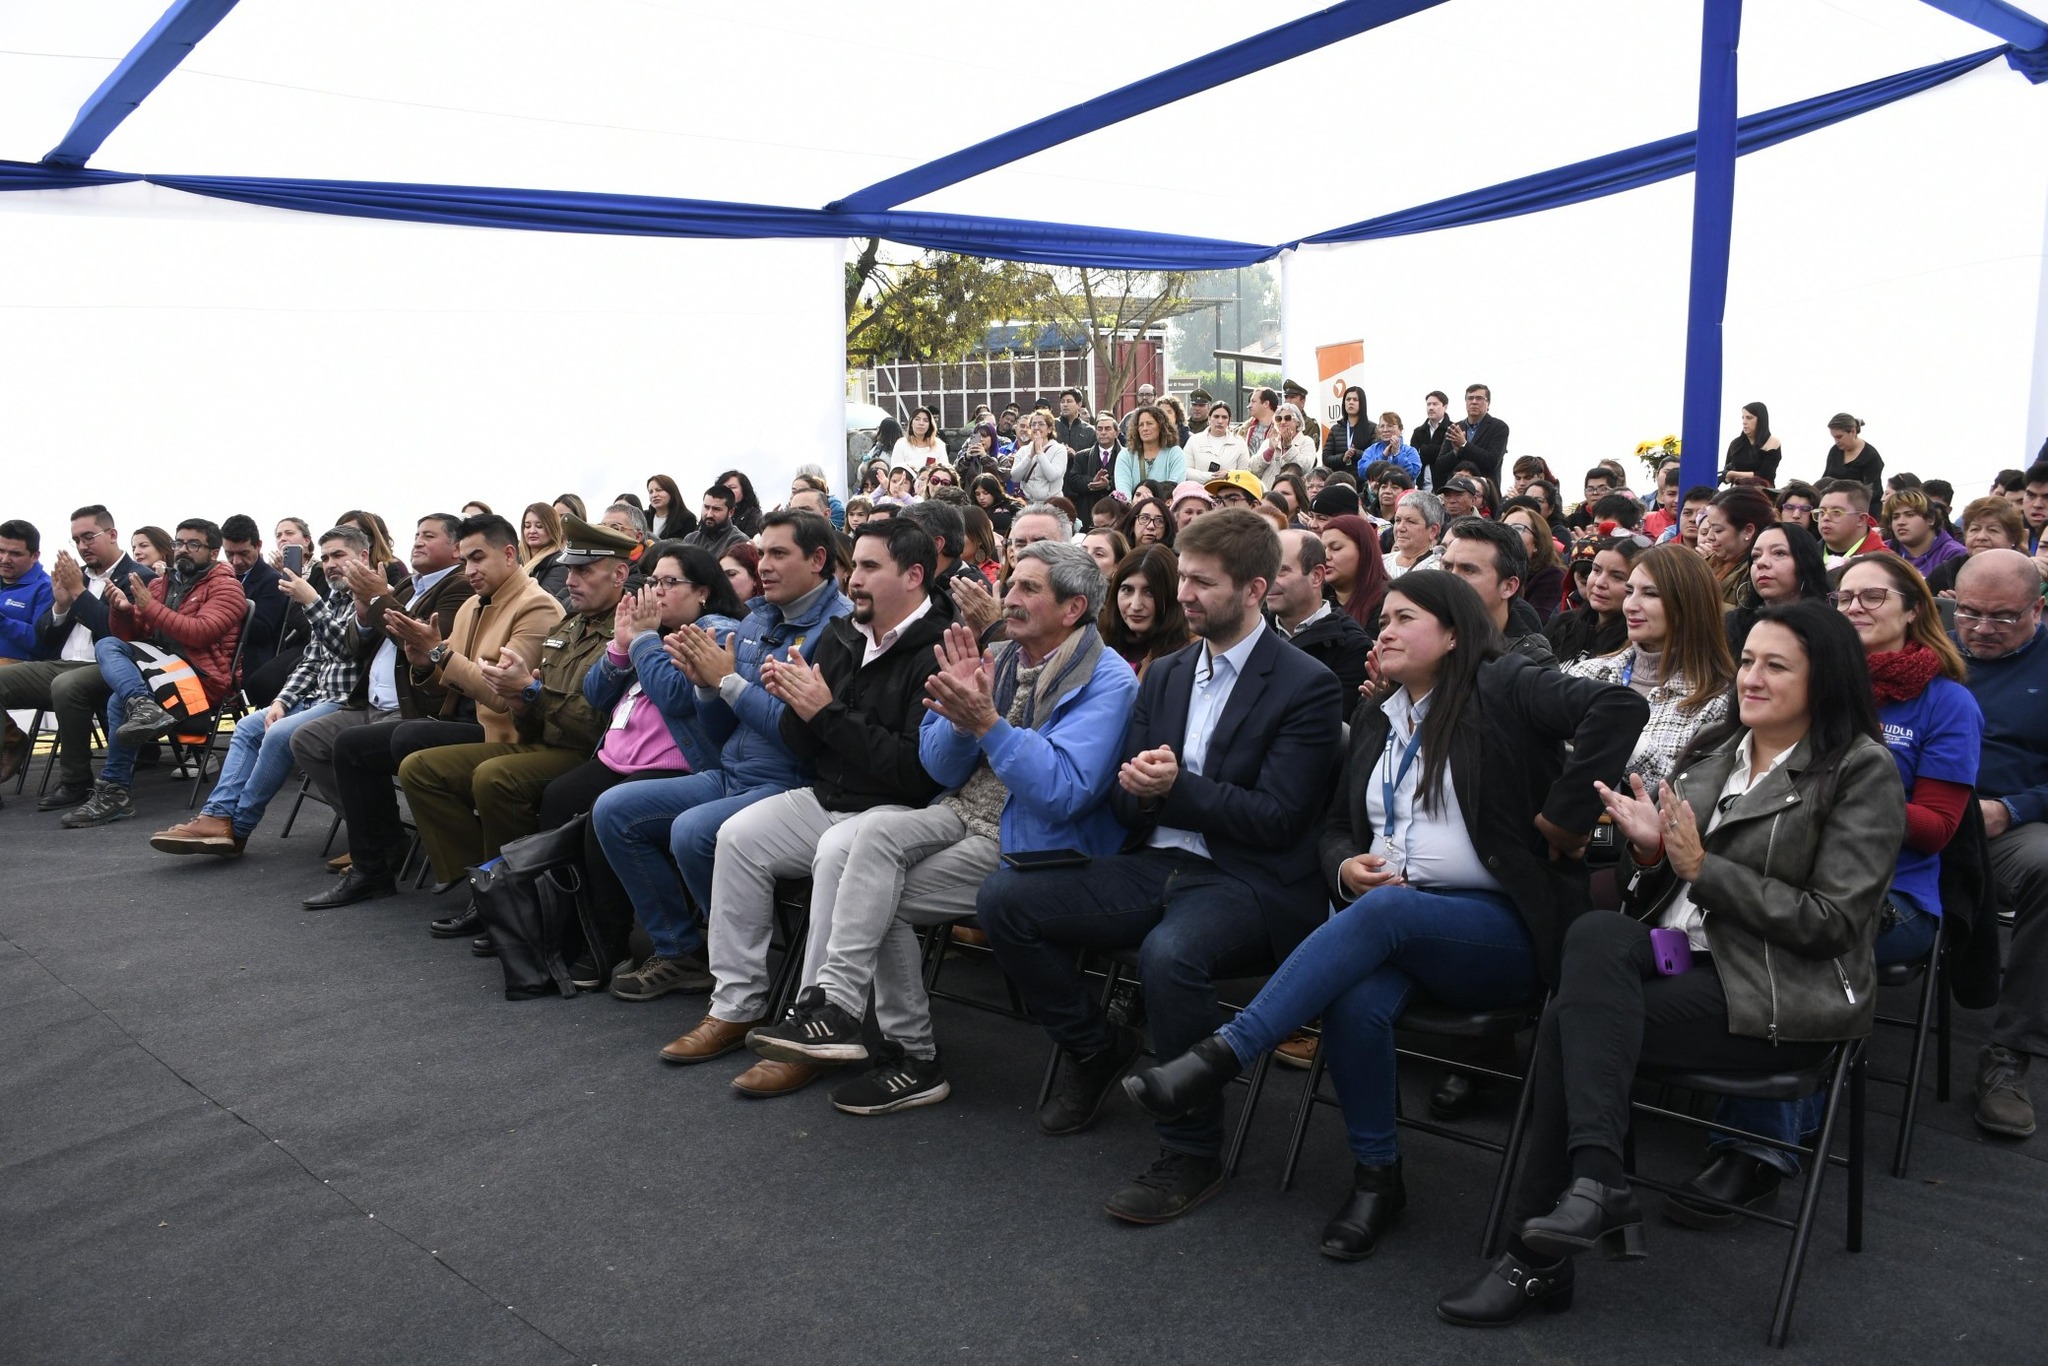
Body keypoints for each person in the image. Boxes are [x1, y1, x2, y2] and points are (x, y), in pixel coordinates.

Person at [1123, 570, 1647, 1258]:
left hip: (1503, 930)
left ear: (1454, 633)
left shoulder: (1504, 685)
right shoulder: (1377, 715)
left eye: (1405, 619)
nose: (1386, 631)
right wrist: (1344, 866)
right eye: (1384, 619)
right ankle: (1377, 1178)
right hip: (1400, 927)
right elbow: (1338, 827)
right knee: (1355, 1000)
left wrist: (1564, 816)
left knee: (1391, 912)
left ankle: (1226, 1052)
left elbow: (1619, 707)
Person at [1438, 601, 1903, 1328]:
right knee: (1595, 935)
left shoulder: (1860, 770)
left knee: (1567, 1024)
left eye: (1776, 666)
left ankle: (1540, 1256)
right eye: (1747, 661)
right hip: (1679, 963)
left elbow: (1835, 924)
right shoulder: (1717, 751)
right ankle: (1594, 1187)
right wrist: (1650, 854)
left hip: (1776, 993)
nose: (1750, 678)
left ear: (1826, 679)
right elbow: (1654, 892)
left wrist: (1702, 868)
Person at [978, 509, 1346, 1223]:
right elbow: (1127, 802)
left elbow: (1277, 820)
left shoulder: (1307, 683)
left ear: (1255, 589)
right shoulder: (1169, 673)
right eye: (1187, 579)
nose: (1184, 595)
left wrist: (1177, 788)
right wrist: (1142, 790)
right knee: (1005, 899)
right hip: (1157, 861)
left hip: (1248, 880)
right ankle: (1095, 1047)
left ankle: (1192, 1149)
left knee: (1170, 953)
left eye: (1203, 583)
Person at [744, 541, 1135, 1112]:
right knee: (872, 836)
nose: (1009, 597)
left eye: (1029, 588)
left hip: (1031, 841)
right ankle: (837, 1006)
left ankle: (914, 1057)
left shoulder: (1108, 679)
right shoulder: (995, 657)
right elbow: (939, 768)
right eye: (1012, 583)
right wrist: (956, 721)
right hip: (962, 810)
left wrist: (987, 723)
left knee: (880, 897)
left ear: (1073, 608)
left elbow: (1063, 795)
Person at [1665, 554, 1981, 1220]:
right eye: (1845, 598)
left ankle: (1757, 1146)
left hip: (1892, 896)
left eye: (1873, 596)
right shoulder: (1788, 681)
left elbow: (1937, 829)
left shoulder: (1946, 704)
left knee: (1787, 943)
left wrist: (1839, 808)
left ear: (1914, 609)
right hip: (1768, 873)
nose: (1855, 606)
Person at [656, 519, 954, 1092]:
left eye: (870, 567)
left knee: (836, 853)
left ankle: (812, 1023)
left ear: (914, 575)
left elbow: (916, 773)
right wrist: (780, 699)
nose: (854, 578)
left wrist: (823, 712)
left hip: (899, 812)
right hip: (831, 795)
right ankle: (736, 1005)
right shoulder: (844, 634)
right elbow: (804, 741)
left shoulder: (940, 648)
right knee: (738, 836)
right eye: (854, 565)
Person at [593, 511, 853, 1002]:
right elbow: (721, 727)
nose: (764, 565)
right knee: (613, 810)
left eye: (779, 554)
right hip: (733, 773)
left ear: (818, 560)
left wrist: (728, 684)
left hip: (793, 784)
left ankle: (738, 969)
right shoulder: (757, 619)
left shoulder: (839, 629)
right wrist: (707, 690)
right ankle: (682, 950)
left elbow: (799, 736)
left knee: (693, 831)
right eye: (763, 552)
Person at [302, 514, 558, 907]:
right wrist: (424, 662)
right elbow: (445, 681)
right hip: (461, 719)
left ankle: (480, 878)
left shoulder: (536, 606)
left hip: (504, 731)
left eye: (478, 558)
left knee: (409, 739)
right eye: (465, 560)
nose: (470, 570)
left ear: (510, 555)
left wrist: (437, 653)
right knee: (351, 745)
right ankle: (373, 867)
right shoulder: (474, 603)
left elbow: (500, 696)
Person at [395, 518, 641, 899]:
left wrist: (529, 694)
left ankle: (509, 895)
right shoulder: (568, 627)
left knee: (494, 777)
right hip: (538, 740)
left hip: (588, 753)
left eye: (584, 571)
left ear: (620, 575)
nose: (571, 580)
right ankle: (483, 885)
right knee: (418, 768)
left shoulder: (629, 633)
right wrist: (520, 702)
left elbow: (596, 724)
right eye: (569, 570)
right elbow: (524, 710)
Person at [145, 525, 379, 856]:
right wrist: (282, 700)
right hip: (318, 699)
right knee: (248, 726)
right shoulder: (334, 598)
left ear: (363, 556)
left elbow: (346, 650)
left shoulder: (371, 598)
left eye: (338, 555)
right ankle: (215, 816)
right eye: (325, 558)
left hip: (348, 704)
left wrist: (310, 602)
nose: (329, 564)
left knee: (277, 733)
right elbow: (312, 661)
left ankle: (238, 828)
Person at [287, 514, 472, 864]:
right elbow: (354, 647)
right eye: (416, 534)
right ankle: (376, 831)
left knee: (354, 746)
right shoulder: (408, 586)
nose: (418, 541)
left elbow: (423, 643)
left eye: (429, 536)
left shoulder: (459, 587)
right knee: (306, 739)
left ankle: (377, 845)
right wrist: (362, 613)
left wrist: (377, 599)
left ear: (456, 548)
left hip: (413, 707)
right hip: (367, 704)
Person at [58, 519, 247, 829]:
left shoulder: (227, 587)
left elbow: (199, 633)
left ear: (214, 553)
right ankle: (142, 707)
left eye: (193, 544)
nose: (183, 549)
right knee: (108, 643)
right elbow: (134, 634)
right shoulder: (162, 584)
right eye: (179, 542)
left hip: (201, 679)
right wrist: (122, 611)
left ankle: (115, 791)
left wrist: (148, 607)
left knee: (118, 699)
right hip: (160, 669)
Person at [1952, 550, 2048, 1139]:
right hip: (1910, 810)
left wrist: (2013, 809)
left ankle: (2011, 1050)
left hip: (2005, 823)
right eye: (1969, 612)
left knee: (2047, 867)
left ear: (2038, 609)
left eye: (2004, 617)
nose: (1983, 628)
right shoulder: (1930, 651)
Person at [1562, 544, 1735, 791]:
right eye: (1629, 591)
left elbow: (1687, 796)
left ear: (1688, 605)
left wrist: (1624, 738)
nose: (1630, 605)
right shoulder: (1587, 674)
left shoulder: (1716, 700)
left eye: (1650, 594)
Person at [1267, 528, 1372, 699]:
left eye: (1281, 571)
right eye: (1265, 570)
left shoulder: (1351, 646)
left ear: (1316, 576)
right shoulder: (1251, 630)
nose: (1268, 580)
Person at [1441, 519, 1557, 667]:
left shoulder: (1532, 664)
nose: (1451, 578)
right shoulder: (1422, 635)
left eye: (1468, 570)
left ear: (1508, 587)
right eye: (1447, 567)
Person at [1725, 522, 1828, 653]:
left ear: (1806, 563)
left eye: (1779, 553)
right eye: (1756, 556)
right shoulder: (1732, 626)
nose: (1761, 562)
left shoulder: (1829, 627)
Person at [1101, 543, 1190, 681]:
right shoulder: (1099, 644)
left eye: (1150, 592)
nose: (1136, 605)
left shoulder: (1187, 658)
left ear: (1172, 595)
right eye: (1127, 590)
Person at [218, 514, 289, 687]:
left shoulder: (272, 580)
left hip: (250, 664)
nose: (236, 561)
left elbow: (261, 631)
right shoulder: (220, 576)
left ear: (258, 545)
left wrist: (228, 603)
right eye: (229, 554)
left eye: (244, 553)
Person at [1928, 495, 2026, 596]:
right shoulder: (1945, 573)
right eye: (1975, 529)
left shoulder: (2025, 575)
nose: (1981, 537)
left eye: (1993, 530)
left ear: (2012, 538)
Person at [1697, 487, 1776, 607]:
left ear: (1748, 531)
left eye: (1718, 530)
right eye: (1709, 528)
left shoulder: (1761, 572)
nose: (1709, 537)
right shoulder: (1706, 563)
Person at [1318, 514, 1392, 639]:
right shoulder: (1317, 596)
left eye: (1336, 548)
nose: (1326, 556)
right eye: (1323, 549)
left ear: (1364, 551)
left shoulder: (1388, 599)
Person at [1885, 486, 1967, 580]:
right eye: (1895, 517)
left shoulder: (1955, 555)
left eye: (1910, 515)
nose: (1900, 522)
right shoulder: (1883, 551)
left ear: (1931, 519)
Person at [1501, 503, 1565, 622]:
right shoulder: (1494, 572)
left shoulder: (1552, 577)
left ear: (1537, 544)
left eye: (1517, 529)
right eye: (1503, 528)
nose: (1507, 534)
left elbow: (1536, 624)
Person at [1438, 384, 1508, 489]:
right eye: (1470, 398)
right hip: (1456, 489)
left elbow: (1492, 461)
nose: (1474, 402)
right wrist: (1456, 452)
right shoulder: (1455, 428)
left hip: (1484, 491)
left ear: (1488, 403)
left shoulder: (1499, 427)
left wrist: (1464, 445)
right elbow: (1440, 465)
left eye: (1479, 398)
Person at [1815, 479, 1888, 568]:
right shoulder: (1805, 556)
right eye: (1822, 512)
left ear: (1861, 519)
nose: (1825, 518)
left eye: (1836, 512)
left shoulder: (1886, 564)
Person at [1117, 405, 1187, 497]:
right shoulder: (1126, 455)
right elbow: (1122, 488)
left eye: (1149, 424)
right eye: (1141, 425)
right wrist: (1132, 504)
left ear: (1161, 426)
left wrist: (1154, 503)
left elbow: (1175, 486)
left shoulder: (1175, 453)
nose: (1145, 428)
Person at [1249, 404, 1317, 488]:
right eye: (1279, 419)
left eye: (1287, 418)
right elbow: (1253, 469)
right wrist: (1270, 450)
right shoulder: (1268, 442)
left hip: (1292, 492)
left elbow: (1305, 468)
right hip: (1267, 492)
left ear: (1298, 422)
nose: (1283, 422)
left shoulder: (1306, 441)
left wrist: (1289, 448)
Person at [518, 502, 571, 606]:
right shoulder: (516, 560)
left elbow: (542, 602)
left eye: (539, 526)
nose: (532, 531)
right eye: (527, 526)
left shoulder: (560, 563)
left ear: (552, 529)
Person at [1821, 413, 1883, 501]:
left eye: (1839, 437)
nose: (1836, 441)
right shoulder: (1835, 451)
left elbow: (1872, 493)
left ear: (1853, 432)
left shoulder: (1871, 457)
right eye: (1834, 437)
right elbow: (1825, 480)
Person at [1012, 410, 1071, 503]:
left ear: (1049, 429)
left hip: (1051, 504)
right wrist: (1030, 456)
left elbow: (1052, 476)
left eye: (1041, 424)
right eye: (1033, 424)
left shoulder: (1059, 449)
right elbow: (1015, 477)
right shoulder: (1023, 450)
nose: (1036, 427)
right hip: (1028, 504)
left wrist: (1040, 453)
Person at [339, 510, 408, 589]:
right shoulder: (330, 570)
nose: (343, 539)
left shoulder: (390, 569)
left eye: (351, 534)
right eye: (338, 533)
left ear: (370, 540)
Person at [1385, 490, 1445, 579]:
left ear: (1433, 530)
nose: (1400, 528)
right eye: (1397, 520)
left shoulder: (1438, 570)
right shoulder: (1379, 562)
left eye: (1410, 521)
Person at [1721, 401, 1782, 487]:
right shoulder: (1736, 444)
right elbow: (1725, 474)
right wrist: (1728, 475)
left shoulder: (1772, 442)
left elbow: (1764, 475)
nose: (1744, 422)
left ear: (1760, 420)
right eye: (1743, 418)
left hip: (1762, 491)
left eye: (1749, 418)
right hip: (1737, 491)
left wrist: (1732, 474)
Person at [1187, 400, 1251, 476]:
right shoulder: (1194, 440)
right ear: (1209, 418)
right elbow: (1186, 471)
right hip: (1199, 484)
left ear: (1229, 420)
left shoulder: (1239, 443)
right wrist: (1210, 477)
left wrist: (1228, 475)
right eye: (1216, 416)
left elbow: (1244, 473)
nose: (1220, 421)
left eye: (1224, 417)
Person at [683, 484, 747, 559]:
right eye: (706, 507)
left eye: (716, 509)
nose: (709, 514)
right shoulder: (691, 539)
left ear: (731, 512)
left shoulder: (739, 542)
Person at [1321, 388, 1374, 473]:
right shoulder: (1335, 429)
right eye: (1348, 399)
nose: (1351, 402)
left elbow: (1374, 456)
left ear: (1362, 403)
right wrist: (1343, 457)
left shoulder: (1372, 428)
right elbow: (1326, 458)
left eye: (1355, 400)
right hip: (1339, 478)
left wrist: (1355, 453)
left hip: (1362, 478)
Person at [1411, 392, 1455, 491]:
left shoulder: (1453, 429)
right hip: (1422, 485)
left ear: (1445, 407)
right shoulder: (1418, 431)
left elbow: (1450, 457)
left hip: (1445, 485)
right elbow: (1414, 457)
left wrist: (1424, 450)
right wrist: (1438, 452)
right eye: (1428, 404)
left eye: (1435, 404)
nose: (1431, 408)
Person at [891, 406, 950, 471]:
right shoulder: (901, 444)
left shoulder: (939, 444)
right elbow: (895, 470)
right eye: (917, 419)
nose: (921, 423)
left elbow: (945, 470)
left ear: (930, 425)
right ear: (911, 423)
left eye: (925, 420)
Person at [645, 474, 699, 541]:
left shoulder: (687, 519)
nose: (654, 495)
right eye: (650, 492)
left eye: (659, 490)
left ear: (671, 492)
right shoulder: (643, 516)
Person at [715, 470, 765, 537]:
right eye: (723, 488)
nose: (727, 491)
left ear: (744, 491)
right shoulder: (711, 512)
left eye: (732, 487)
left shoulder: (753, 515)